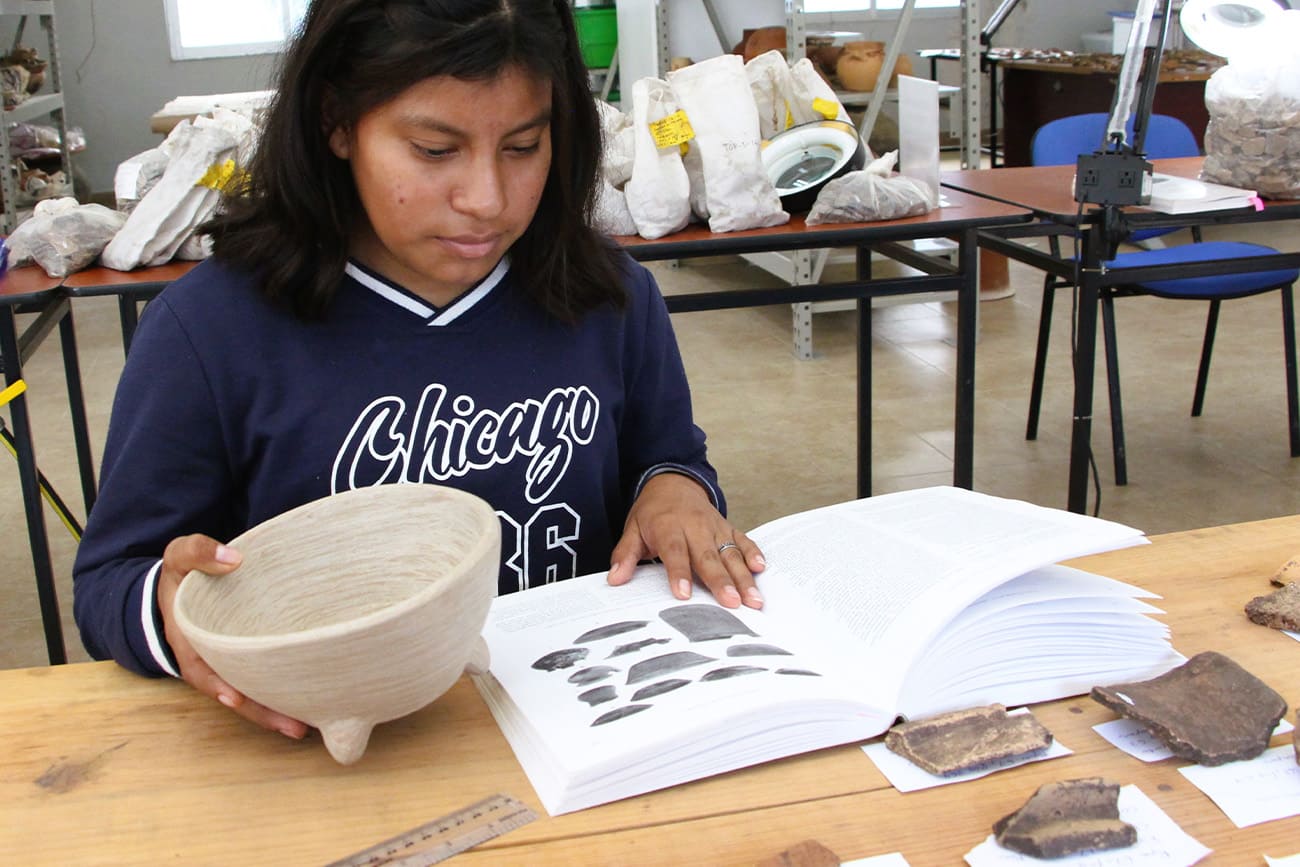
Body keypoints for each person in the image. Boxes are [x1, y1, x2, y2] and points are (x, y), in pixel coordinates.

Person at [73, 0, 765, 740]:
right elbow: (111, 581)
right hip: (344, 757)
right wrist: (169, 608)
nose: (486, 201)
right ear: (338, 120)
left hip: (587, 719)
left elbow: (670, 458)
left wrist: (676, 490)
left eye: (524, 146)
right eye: (435, 150)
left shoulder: (609, 297)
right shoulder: (211, 332)